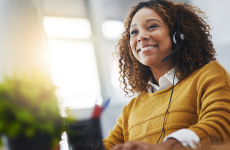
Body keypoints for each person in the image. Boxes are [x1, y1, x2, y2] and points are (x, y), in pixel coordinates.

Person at [103, 0, 230, 150]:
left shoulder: (209, 75)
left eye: (152, 26)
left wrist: (168, 146)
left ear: (178, 34)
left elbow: (220, 125)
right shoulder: (131, 109)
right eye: (134, 32)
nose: (141, 37)